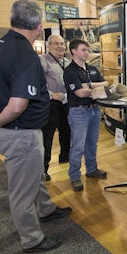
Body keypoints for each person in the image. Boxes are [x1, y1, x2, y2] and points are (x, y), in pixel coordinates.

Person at [0, 0, 72, 253]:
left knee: (34, 174)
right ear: (39, 27)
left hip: (17, 131)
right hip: (20, 133)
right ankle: (32, 239)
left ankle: (46, 209)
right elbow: (17, 105)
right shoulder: (25, 54)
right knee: (21, 191)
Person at [63, 38, 108, 191]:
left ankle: (91, 169)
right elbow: (80, 93)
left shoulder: (92, 69)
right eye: (84, 50)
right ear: (73, 51)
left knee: (91, 144)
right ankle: (75, 176)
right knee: (77, 147)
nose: (87, 52)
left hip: (94, 110)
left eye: (88, 50)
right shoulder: (69, 71)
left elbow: (105, 85)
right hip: (79, 112)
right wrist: (94, 88)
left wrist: (88, 85)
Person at [40, 34, 71, 181]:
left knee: (66, 131)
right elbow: (38, 82)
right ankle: (44, 169)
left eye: (62, 44)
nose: (60, 47)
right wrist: (51, 94)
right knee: (48, 136)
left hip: (66, 103)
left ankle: (65, 157)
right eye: (56, 44)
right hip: (51, 104)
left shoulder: (67, 62)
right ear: (49, 46)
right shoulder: (42, 61)